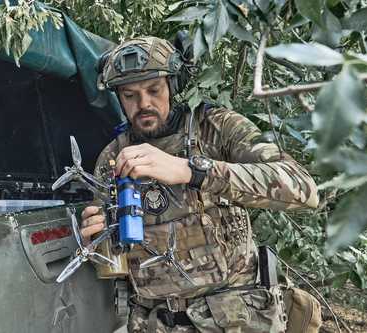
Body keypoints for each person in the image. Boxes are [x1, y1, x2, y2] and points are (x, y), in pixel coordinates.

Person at [81, 36, 319, 333]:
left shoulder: (215, 129)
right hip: (155, 321)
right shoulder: (114, 158)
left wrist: (193, 170)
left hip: (236, 319)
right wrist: (96, 242)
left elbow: (302, 188)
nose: (144, 104)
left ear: (173, 85)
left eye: (154, 90)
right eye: (130, 95)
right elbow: (111, 261)